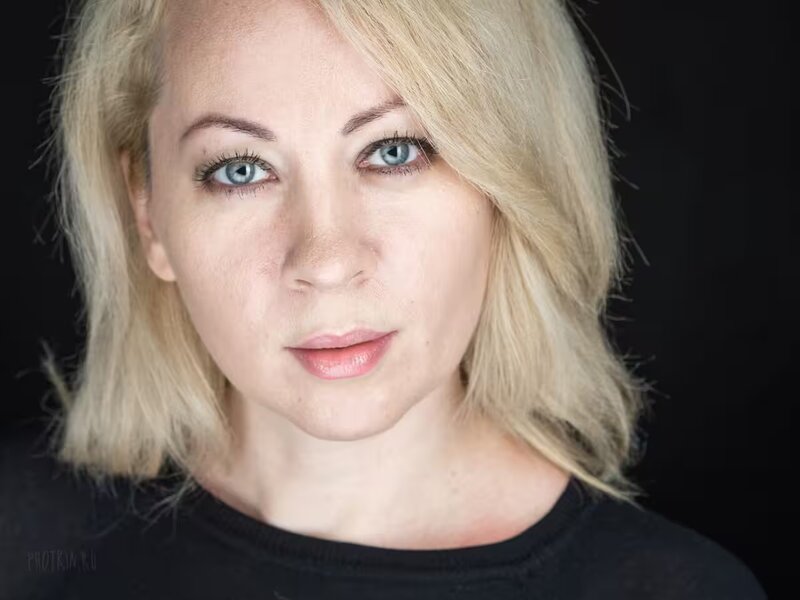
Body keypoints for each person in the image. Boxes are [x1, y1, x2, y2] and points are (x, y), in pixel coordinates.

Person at [1, 0, 767, 598]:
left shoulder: (675, 590)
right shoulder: (23, 539)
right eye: (240, 169)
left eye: (393, 151)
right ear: (147, 213)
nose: (327, 261)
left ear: (507, 184)